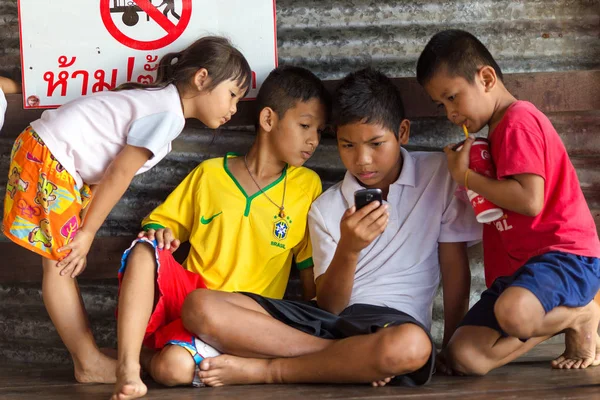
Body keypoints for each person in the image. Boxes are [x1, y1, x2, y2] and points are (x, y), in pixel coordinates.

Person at [179, 68, 481, 387]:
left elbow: (454, 268)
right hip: (329, 323)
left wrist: (450, 345)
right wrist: (349, 248)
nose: (362, 160)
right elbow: (331, 307)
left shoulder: (438, 176)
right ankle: (347, 358)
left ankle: (269, 370)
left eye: (376, 143)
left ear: (402, 132)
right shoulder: (327, 207)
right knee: (200, 305)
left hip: (392, 327)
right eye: (347, 145)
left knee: (412, 346)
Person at [2, 36, 252, 384]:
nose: (234, 108)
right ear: (201, 79)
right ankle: (87, 361)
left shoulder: (163, 107)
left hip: (53, 159)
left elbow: (108, 169)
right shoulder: (167, 114)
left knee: (61, 261)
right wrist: (87, 233)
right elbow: (119, 172)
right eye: (233, 95)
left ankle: (87, 358)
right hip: (49, 157)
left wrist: (85, 225)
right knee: (62, 262)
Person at [112, 65, 331, 400]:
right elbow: (162, 223)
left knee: (173, 368)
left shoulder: (307, 186)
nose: (313, 140)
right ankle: (127, 368)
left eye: (319, 130)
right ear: (268, 120)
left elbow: (309, 272)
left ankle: (217, 360)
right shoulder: (209, 174)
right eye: (305, 126)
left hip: (250, 320)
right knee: (142, 250)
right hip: (192, 307)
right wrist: (161, 234)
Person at [416, 29, 600, 375]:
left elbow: (530, 201)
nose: (450, 114)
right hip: (522, 277)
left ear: (486, 78)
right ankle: (548, 317)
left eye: (453, 98)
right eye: (442, 105)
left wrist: (466, 178)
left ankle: (583, 313)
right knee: (463, 356)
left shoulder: (517, 121)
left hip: (565, 258)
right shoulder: (494, 134)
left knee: (514, 314)